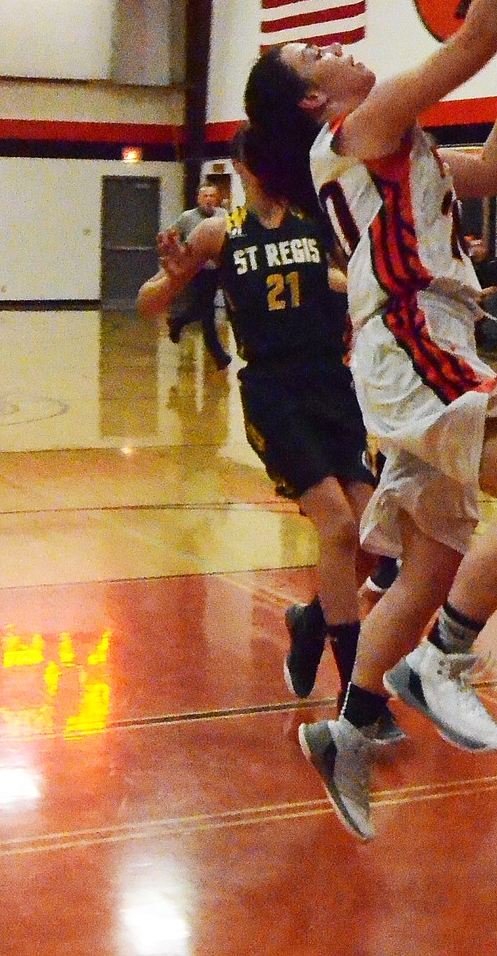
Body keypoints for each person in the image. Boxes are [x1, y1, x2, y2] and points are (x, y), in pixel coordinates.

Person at [243, 0, 497, 841]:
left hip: (411, 348)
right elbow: (462, 41)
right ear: (315, 97)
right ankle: (446, 658)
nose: (336, 48)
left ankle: (349, 723)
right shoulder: (360, 123)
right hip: (418, 341)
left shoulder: (395, 142)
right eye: (315, 53)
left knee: (432, 562)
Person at [137, 125, 393, 735]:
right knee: (336, 524)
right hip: (275, 392)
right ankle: (357, 700)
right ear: (243, 164)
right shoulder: (219, 231)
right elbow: (149, 303)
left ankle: (310, 620)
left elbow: (344, 277)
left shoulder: (314, 219)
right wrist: (173, 278)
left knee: (371, 537)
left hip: (332, 385)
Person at [167, 182, 230, 368]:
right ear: (198, 199)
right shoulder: (188, 217)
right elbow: (172, 236)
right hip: (197, 270)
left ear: (217, 198)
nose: (209, 199)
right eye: (205, 196)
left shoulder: (224, 215)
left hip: (218, 268)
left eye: (212, 196)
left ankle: (177, 322)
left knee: (200, 308)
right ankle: (219, 355)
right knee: (207, 311)